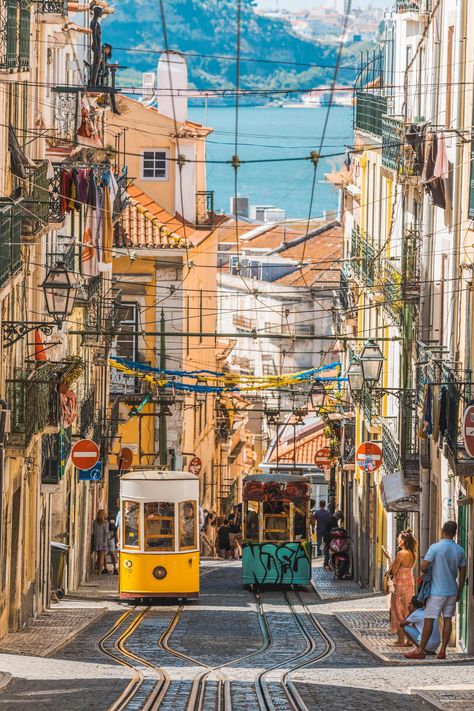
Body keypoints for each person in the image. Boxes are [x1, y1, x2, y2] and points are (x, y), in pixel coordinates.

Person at [405, 521, 467, 660]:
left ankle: (420, 650)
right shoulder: (459, 550)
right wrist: (460, 591)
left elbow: (423, 567)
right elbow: (463, 573)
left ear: (442, 530)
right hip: (452, 590)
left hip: (436, 591)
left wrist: (428, 569)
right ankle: (443, 650)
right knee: (447, 620)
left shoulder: (435, 547)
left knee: (429, 620)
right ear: (455, 533)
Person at [383, 529, 417, 646]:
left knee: (398, 612)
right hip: (409, 584)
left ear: (404, 541)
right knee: (408, 611)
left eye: (399, 538)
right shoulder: (413, 554)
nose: (397, 540)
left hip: (400, 586)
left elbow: (394, 570)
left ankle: (400, 640)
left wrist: (389, 560)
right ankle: (409, 640)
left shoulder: (401, 554)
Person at [92, 509, 109, 575]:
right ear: (102, 514)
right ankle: (99, 571)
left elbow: (94, 531)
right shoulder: (105, 523)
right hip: (103, 542)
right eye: (105, 513)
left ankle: (98, 569)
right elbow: (106, 533)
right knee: (101, 557)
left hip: (96, 541)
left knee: (99, 556)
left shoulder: (94, 522)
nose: (106, 515)